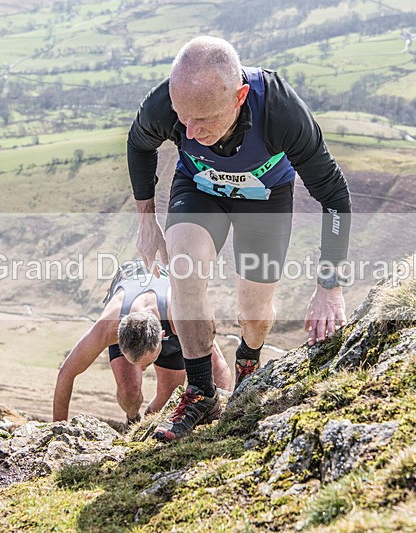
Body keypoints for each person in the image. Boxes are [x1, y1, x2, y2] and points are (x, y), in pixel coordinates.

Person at [126, 36, 352, 441]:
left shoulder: (281, 112)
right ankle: (200, 392)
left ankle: (248, 358)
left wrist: (329, 287)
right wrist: (147, 221)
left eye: (205, 120)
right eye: (183, 119)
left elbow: (334, 196)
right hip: (198, 189)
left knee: (254, 306)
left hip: (264, 200)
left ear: (240, 96)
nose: (191, 133)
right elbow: (139, 144)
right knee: (185, 271)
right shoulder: (168, 104)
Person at [52, 260, 231, 425]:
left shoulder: (182, 316)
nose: (144, 369)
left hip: (169, 314)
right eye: (138, 364)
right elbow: (66, 374)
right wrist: (57, 431)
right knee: (129, 392)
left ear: (161, 336)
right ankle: (132, 420)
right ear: (118, 339)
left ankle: (147, 425)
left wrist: (219, 421)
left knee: (168, 398)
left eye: (148, 363)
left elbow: (219, 366)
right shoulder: (107, 327)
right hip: (130, 290)